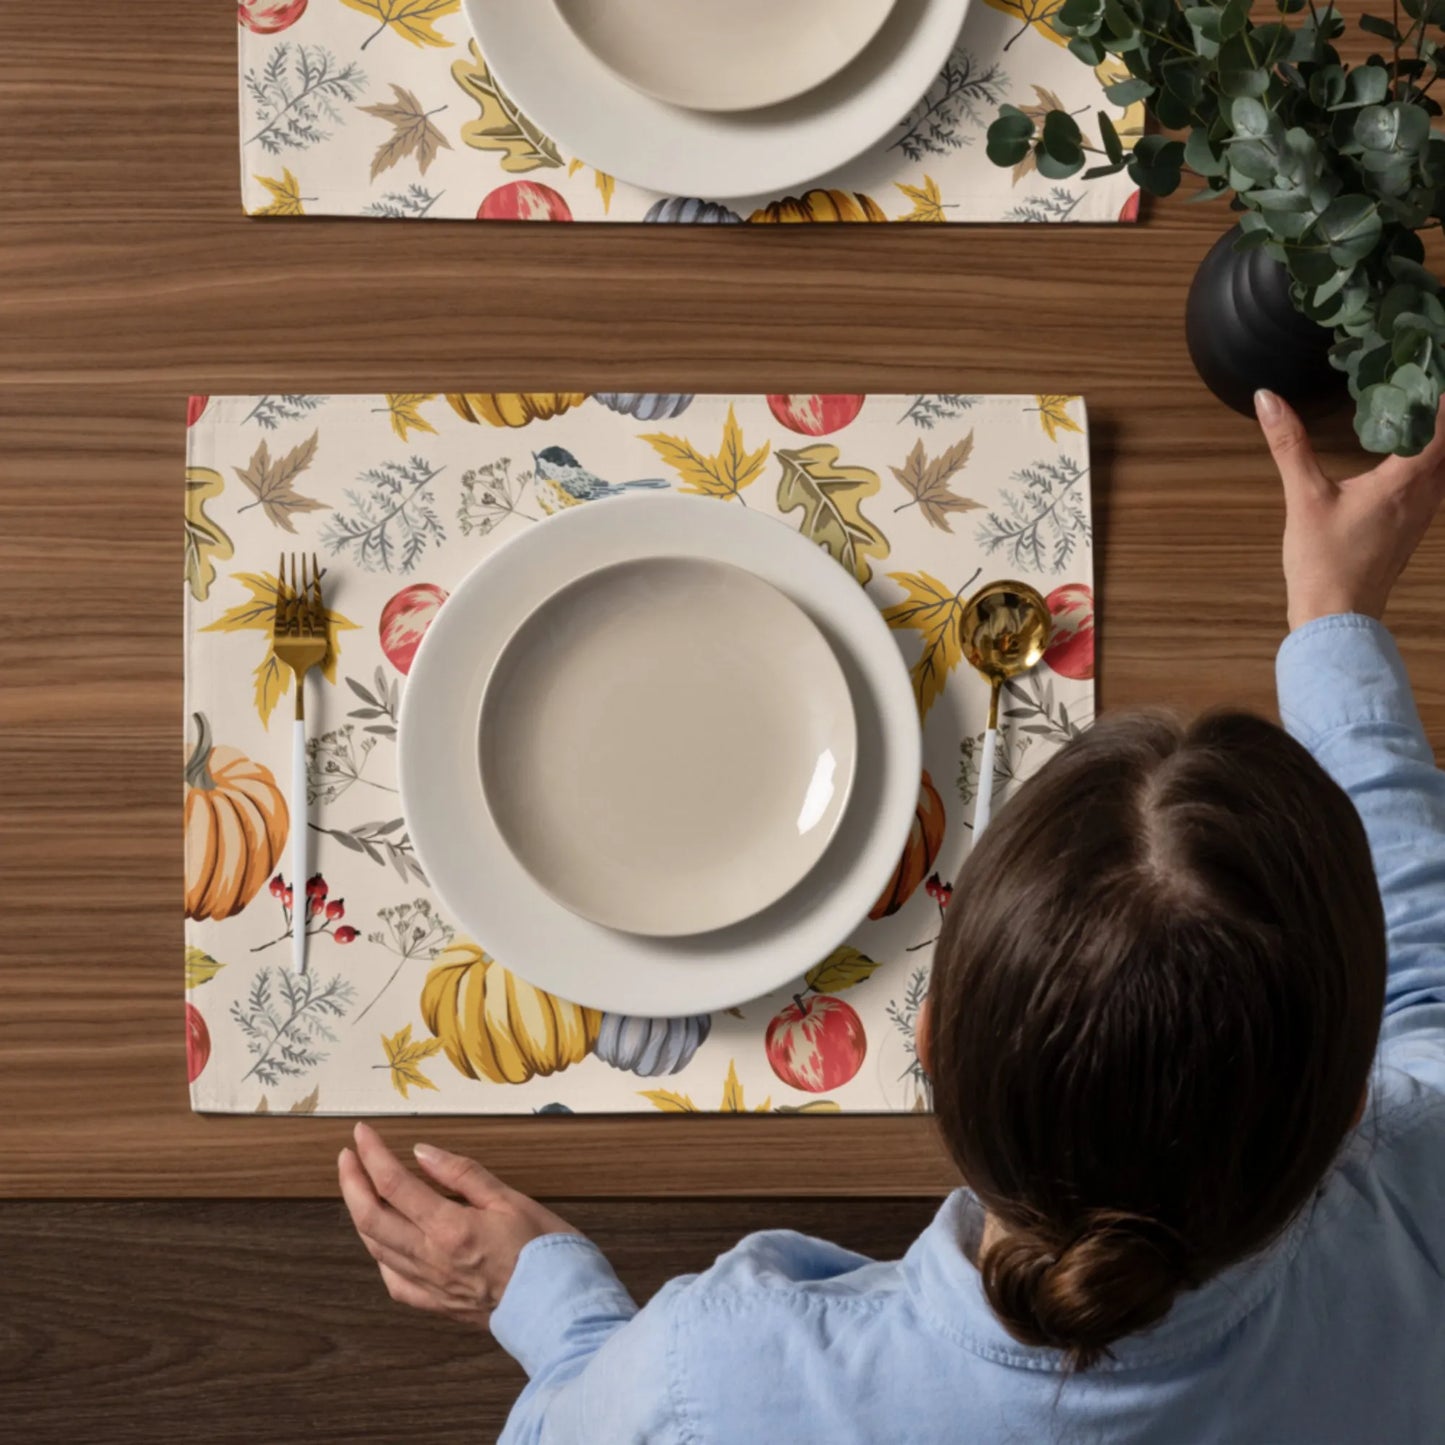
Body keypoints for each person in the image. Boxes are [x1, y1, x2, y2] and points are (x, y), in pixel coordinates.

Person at [338, 390, 1445, 1444]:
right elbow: (1425, 988)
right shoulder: (1418, 1196)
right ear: (1349, 1105)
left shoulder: (711, 1381)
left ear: (924, 1047)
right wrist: (1332, 621)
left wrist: (554, 1310)